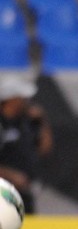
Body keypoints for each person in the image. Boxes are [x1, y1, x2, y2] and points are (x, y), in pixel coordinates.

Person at [0, 76, 53, 214]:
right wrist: (10, 175)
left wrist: (42, 121)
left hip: (24, 193)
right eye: (23, 98)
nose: (27, 102)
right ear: (12, 99)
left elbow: (44, 149)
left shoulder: (25, 122)